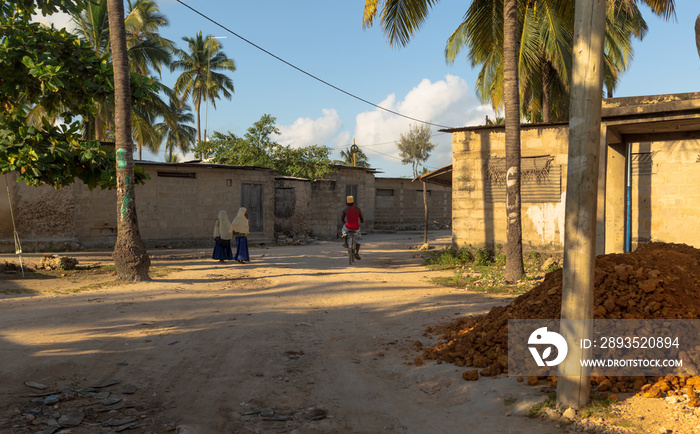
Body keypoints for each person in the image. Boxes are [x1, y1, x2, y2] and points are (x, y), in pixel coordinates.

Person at [341, 195, 364, 260]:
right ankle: (357, 253)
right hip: (356, 227)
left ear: (347, 203)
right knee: (358, 240)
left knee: (344, 229)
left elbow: (342, 219)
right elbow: (361, 218)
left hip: (348, 227)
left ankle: (345, 242)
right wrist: (362, 221)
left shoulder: (345, 210)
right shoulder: (358, 209)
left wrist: (343, 222)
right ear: (353, 202)